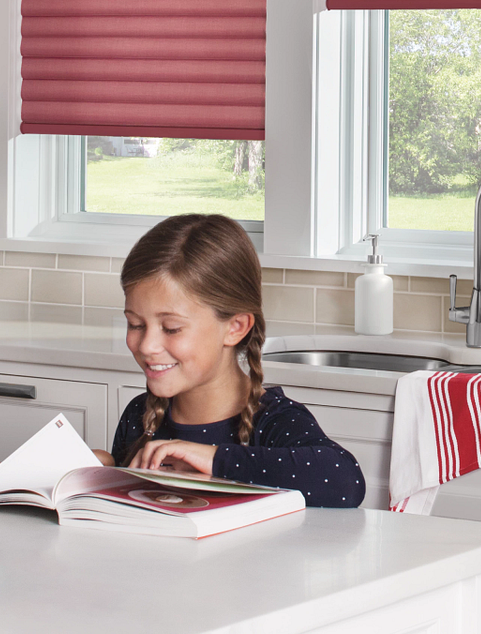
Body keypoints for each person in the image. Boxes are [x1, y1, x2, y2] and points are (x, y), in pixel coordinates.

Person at [107, 214, 365, 508]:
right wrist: (101, 470)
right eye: (135, 325)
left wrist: (215, 459)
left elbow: (345, 481)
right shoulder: (139, 414)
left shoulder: (273, 422)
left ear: (235, 327)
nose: (147, 345)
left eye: (171, 328)